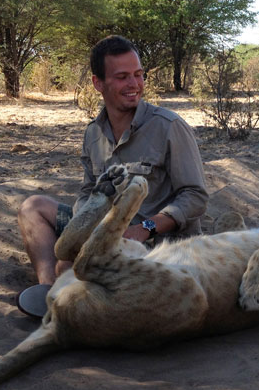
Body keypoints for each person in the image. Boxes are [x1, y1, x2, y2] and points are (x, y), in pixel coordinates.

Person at [16, 35, 208, 316]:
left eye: (138, 75)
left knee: (70, 267)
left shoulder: (169, 126)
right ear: (98, 83)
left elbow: (195, 197)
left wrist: (146, 229)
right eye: (122, 77)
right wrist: (84, 227)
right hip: (103, 234)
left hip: (152, 244)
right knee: (32, 208)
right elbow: (87, 191)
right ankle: (48, 291)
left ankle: (68, 294)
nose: (134, 85)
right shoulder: (93, 133)